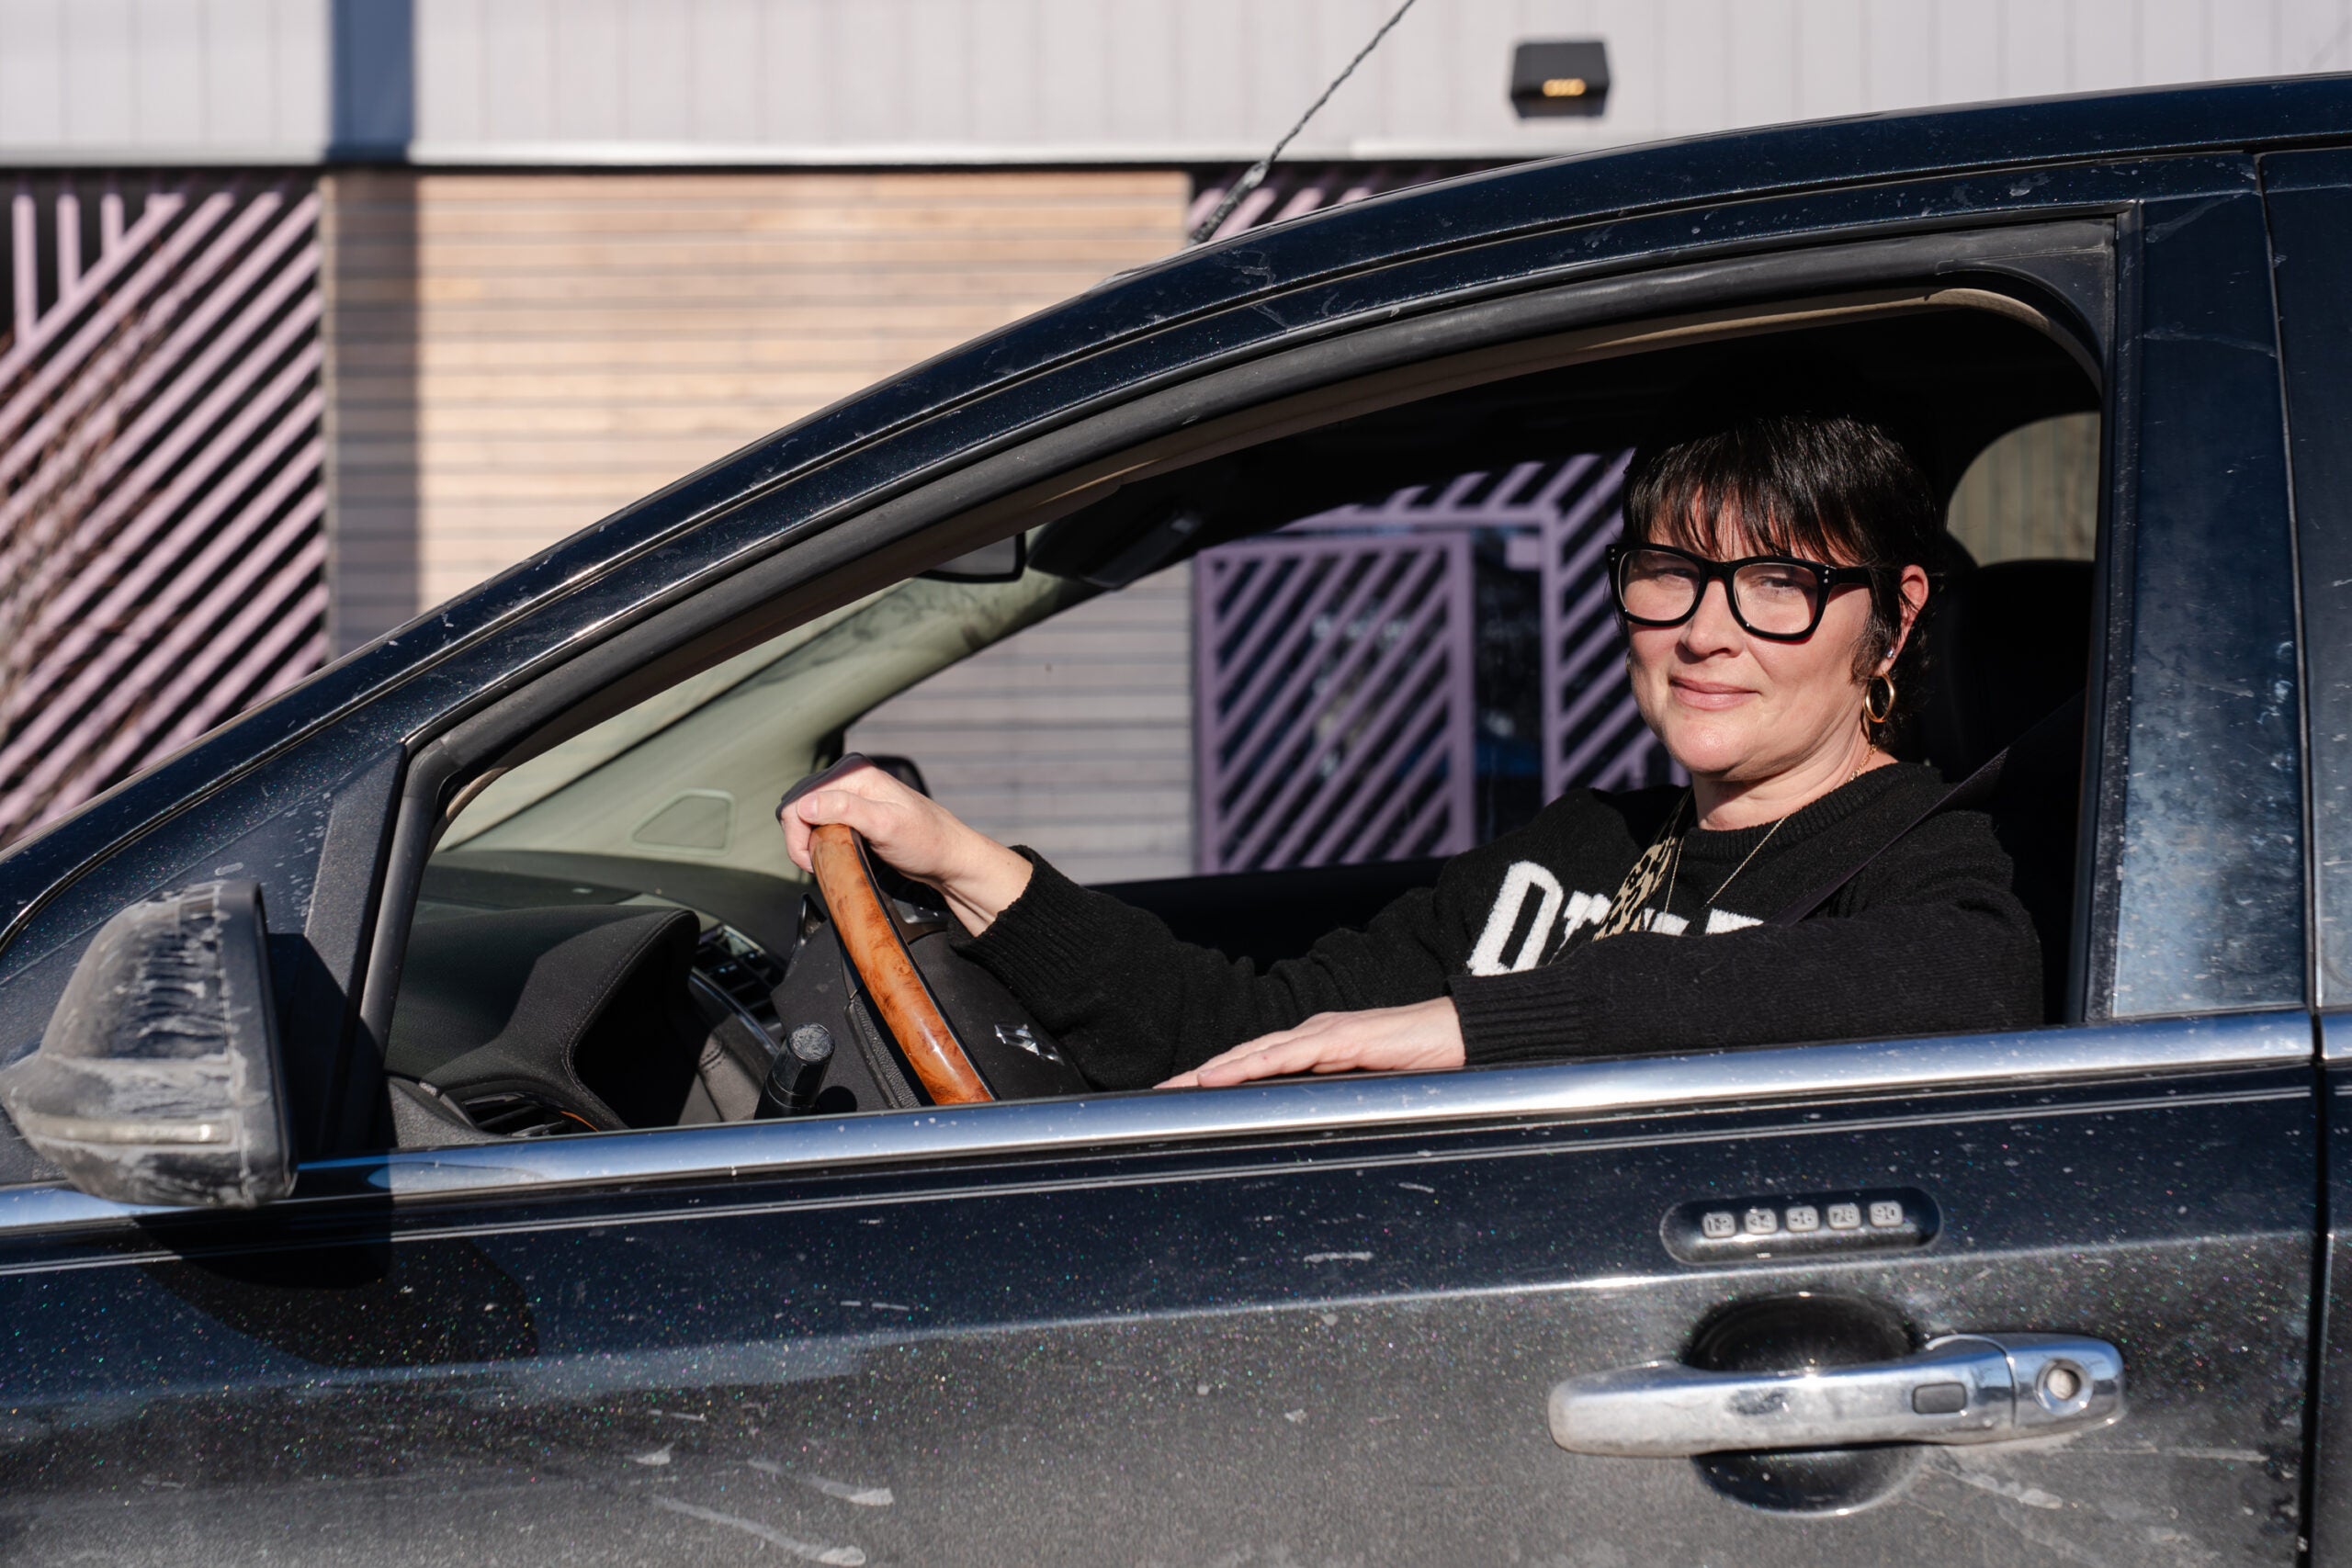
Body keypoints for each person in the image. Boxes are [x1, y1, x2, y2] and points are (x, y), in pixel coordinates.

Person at [779, 388, 2042, 1091]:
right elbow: (1247, 1032)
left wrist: (1472, 1029)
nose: (1706, 633)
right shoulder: (1583, 846)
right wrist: (960, 860)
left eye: (1776, 585)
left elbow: (1964, 986)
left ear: (1892, 618)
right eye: (1670, 575)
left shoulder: (1925, 854)